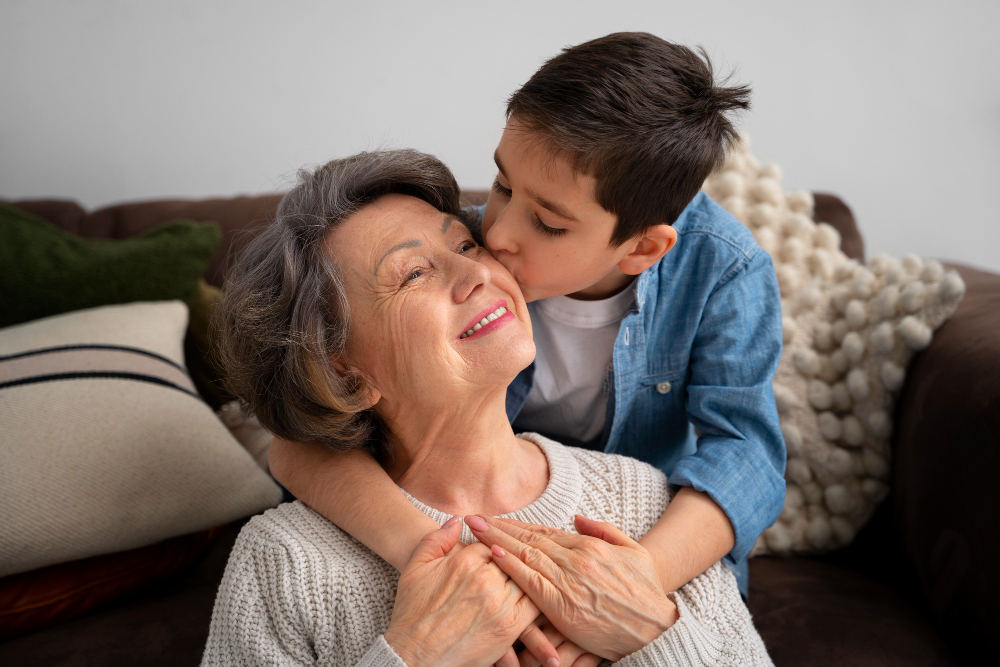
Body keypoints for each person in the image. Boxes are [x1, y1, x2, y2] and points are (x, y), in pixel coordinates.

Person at [267, 30, 785, 633]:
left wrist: (631, 580)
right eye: (503, 184)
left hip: (627, 537)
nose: (498, 233)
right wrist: (432, 555)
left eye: (547, 222)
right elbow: (299, 437)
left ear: (643, 247)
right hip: (479, 527)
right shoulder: (457, 258)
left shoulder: (724, 268)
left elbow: (747, 455)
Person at [202, 149, 773, 666]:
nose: (481, 268)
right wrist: (414, 655)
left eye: (465, 244)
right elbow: (296, 445)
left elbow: (749, 456)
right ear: (342, 370)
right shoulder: (282, 561)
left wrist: (653, 629)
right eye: (414, 274)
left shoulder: (647, 506)